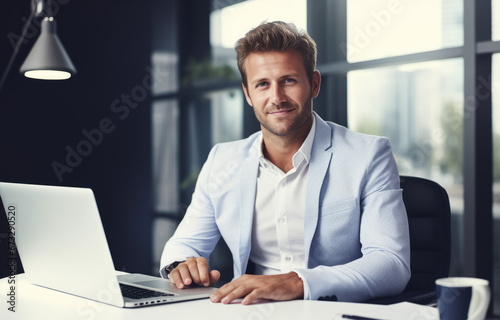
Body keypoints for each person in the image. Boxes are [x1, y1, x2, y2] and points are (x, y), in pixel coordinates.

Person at [160, 21, 410, 305]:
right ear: (247, 94)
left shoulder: (368, 154)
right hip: (248, 311)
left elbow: (391, 264)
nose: (276, 98)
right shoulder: (222, 160)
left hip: (330, 311)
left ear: (314, 84)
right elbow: (183, 244)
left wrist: (298, 282)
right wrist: (179, 266)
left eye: (288, 80)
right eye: (262, 84)